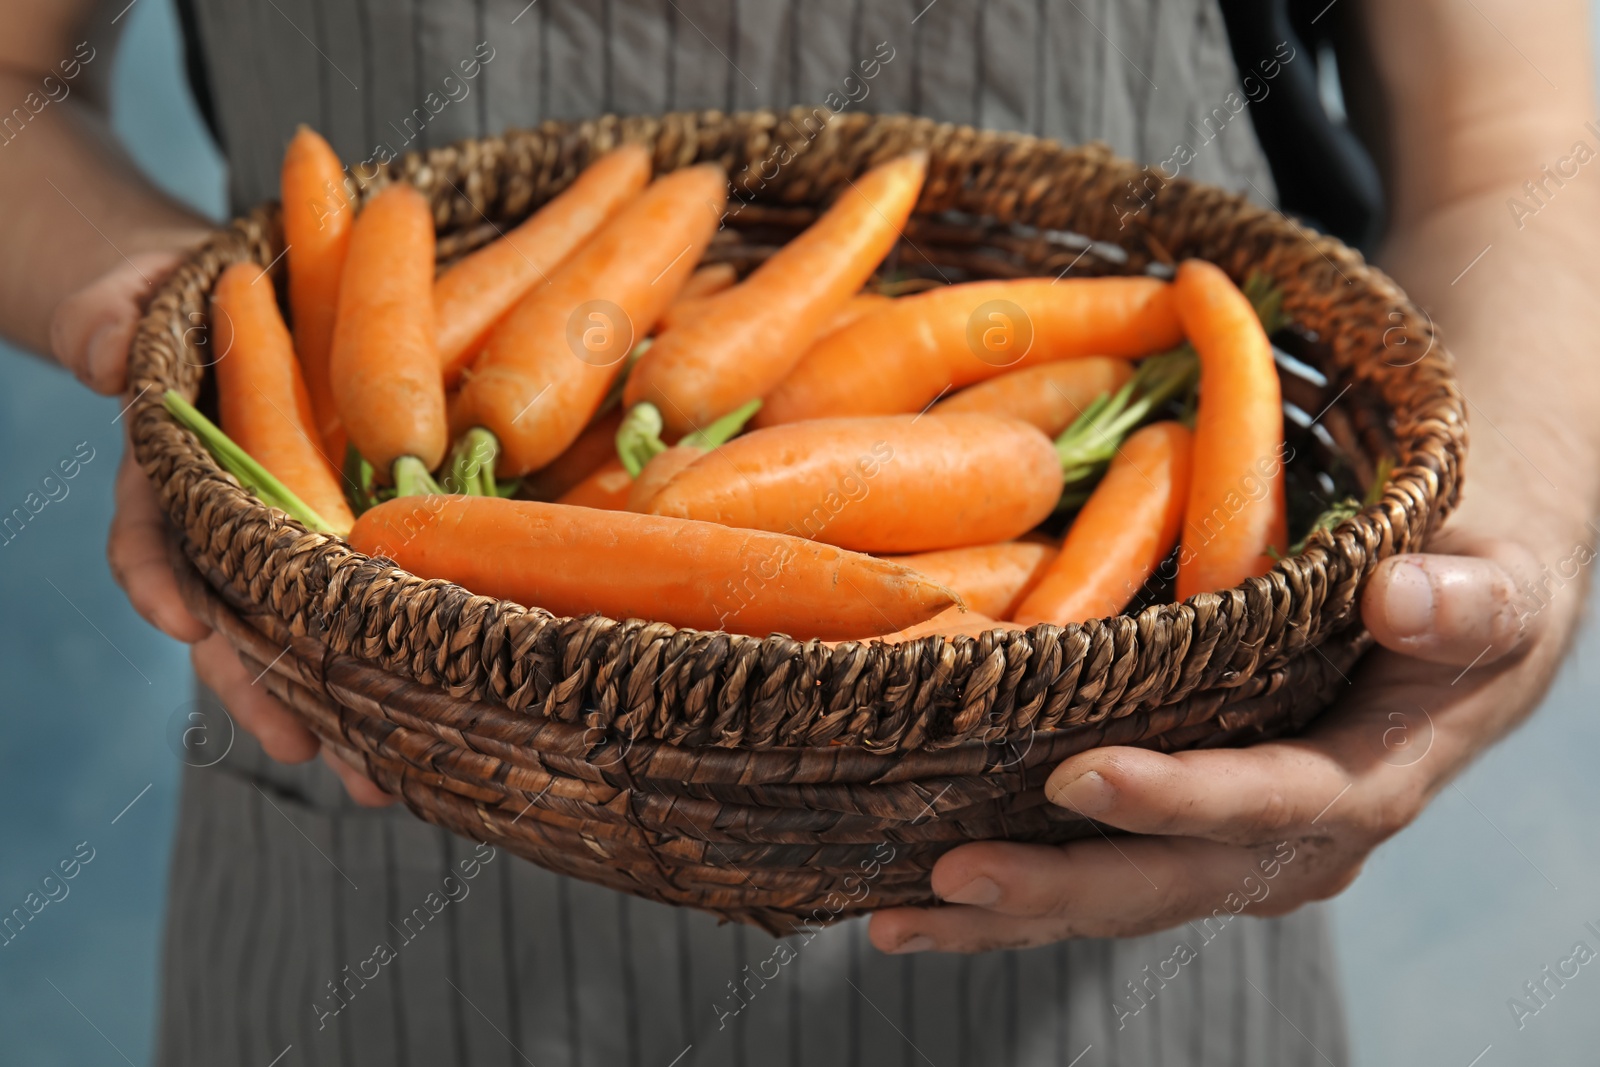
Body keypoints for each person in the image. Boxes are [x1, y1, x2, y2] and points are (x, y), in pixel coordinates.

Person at [4, 0, 1595, 1063]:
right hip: (386, 890)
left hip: (1124, 905)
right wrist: (178, 325)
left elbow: (1521, 152)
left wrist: (1496, 559)